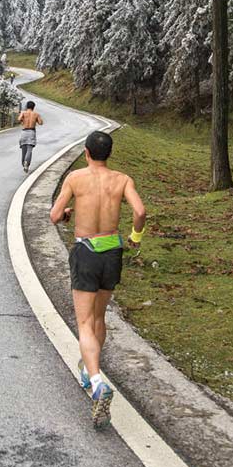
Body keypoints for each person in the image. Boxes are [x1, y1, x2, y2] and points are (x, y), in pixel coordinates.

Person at [49, 131, 146, 428]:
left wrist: (67, 213)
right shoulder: (123, 179)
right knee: (99, 318)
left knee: (84, 323)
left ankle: (96, 382)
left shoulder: (75, 178)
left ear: (86, 152)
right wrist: (135, 236)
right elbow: (140, 211)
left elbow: (54, 216)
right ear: (109, 153)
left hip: (86, 251)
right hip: (112, 251)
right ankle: (89, 368)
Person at [18, 101, 44, 173]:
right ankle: (26, 162)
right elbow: (41, 123)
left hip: (24, 132)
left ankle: (23, 163)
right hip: (31, 132)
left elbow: (19, 119)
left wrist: (23, 118)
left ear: (27, 106)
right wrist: (37, 118)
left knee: (23, 150)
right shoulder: (36, 114)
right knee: (29, 150)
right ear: (33, 107)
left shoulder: (23, 113)